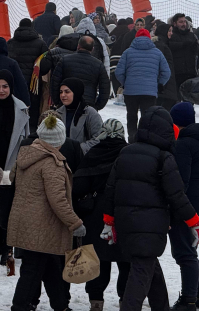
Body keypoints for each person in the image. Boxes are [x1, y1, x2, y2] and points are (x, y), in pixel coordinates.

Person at [102, 106, 199, 311]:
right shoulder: (163, 157)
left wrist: (108, 220)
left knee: (149, 267)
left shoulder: (125, 152)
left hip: (125, 224)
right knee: (141, 273)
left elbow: (110, 189)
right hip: (150, 226)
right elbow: (177, 195)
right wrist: (194, 221)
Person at [8, 115, 85, 311]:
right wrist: (75, 223)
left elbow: (14, 181)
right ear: (60, 140)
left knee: (50, 267)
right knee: (32, 271)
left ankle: (61, 306)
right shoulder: (52, 164)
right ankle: (19, 307)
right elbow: (58, 200)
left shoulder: (27, 156)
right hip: (43, 226)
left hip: (29, 223)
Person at [72, 119, 130, 311]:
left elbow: (78, 187)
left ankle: (96, 301)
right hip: (124, 214)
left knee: (99, 260)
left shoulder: (93, 154)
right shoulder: (129, 154)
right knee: (126, 261)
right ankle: (126, 300)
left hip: (96, 215)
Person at [169, 103, 199, 311]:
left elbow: (182, 181)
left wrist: (174, 205)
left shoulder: (184, 144)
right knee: (190, 251)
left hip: (187, 205)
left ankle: (188, 300)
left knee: (184, 254)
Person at [115, 29, 171, 140]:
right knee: (147, 117)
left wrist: (125, 83)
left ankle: (132, 138)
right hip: (149, 92)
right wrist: (159, 84)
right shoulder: (157, 53)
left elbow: (118, 72)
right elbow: (166, 72)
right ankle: (144, 140)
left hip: (131, 91)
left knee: (131, 116)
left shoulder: (128, 52)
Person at [8, 18, 49, 132]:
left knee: (15, 106)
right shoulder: (40, 43)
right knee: (33, 107)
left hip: (14, 81)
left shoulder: (11, 43)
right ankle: (31, 131)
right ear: (32, 27)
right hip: (33, 83)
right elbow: (46, 63)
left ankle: (15, 131)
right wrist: (40, 72)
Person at [51, 35, 110, 111]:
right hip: (88, 103)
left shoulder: (64, 60)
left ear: (78, 46)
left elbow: (55, 82)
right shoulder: (98, 64)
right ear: (92, 49)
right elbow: (105, 87)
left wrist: (57, 101)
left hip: (66, 102)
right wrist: (98, 106)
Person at [56, 78, 103, 154]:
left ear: (76, 92)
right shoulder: (58, 113)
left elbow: (99, 139)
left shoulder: (90, 113)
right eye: (61, 92)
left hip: (83, 159)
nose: (63, 95)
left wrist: (77, 149)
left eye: (67, 92)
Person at [169, 13, 199, 99]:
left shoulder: (191, 35)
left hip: (189, 72)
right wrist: (183, 45)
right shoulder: (172, 35)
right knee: (176, 99)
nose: (183, 24)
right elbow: (170, 46)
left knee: (189, 99)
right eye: (181, 22)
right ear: (175, 23)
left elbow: (197, 50)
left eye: (184, 22)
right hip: (176, 73)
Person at [153, 24, 178, 112]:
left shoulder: (164, 44)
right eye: (169, 31)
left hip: (166, 85)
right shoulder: (161, 45)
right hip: (165, 87)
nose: (171, 33)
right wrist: (162, 85)